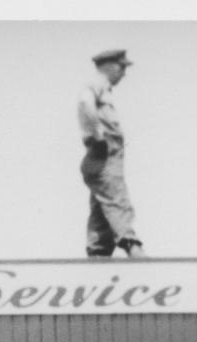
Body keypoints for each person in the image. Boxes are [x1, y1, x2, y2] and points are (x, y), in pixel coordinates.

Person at [78, 48, 144, 258]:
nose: (123, 73)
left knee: (102, 207)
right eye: (122, 67)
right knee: (117, 201)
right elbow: (84, 102)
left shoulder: (104, 89)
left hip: (105, 156)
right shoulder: (96, 85)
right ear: (111, 66)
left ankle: (98, 254)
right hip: (104, 154)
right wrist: (96, 132)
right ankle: (133, 248)